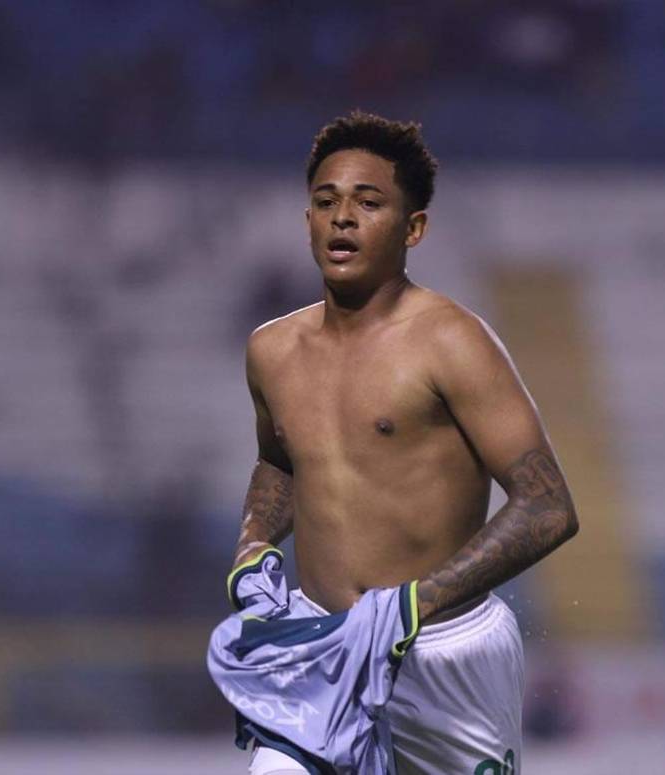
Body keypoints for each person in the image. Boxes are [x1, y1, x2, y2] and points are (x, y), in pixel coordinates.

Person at [226, 111, 579, 773]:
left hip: (447, 655)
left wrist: (414, 604)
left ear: (413, 228)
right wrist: (254, 546)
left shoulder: (453, 342)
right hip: (323, 646)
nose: (343, 218)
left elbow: (549, 505)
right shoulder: (271, 351)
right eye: (326, 202)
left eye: (368, 202)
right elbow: (280, 463)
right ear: (307, 220)